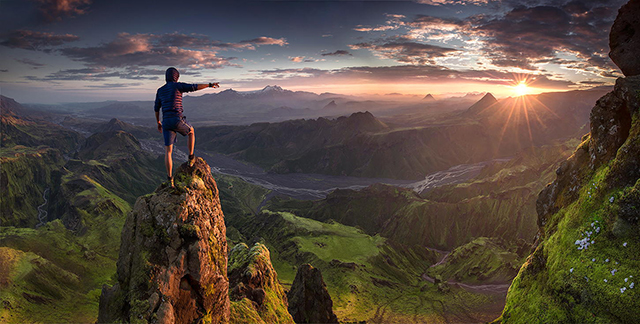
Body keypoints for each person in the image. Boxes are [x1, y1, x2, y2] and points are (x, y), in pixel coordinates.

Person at [154, 67, 219, 187]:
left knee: (168, 152)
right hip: (177, 119)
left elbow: (156, 108)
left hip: (166, 122)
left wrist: (158, 122)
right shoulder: (178, 86)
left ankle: (170, 179)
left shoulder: (160, 90)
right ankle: (191, 158)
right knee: (191, 131)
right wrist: (209, 84)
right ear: (176, 77)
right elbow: (194, 86)